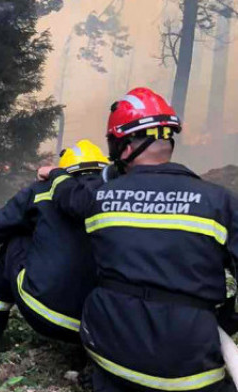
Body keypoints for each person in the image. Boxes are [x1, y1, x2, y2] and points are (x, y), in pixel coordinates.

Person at [38, 87, 238, 392]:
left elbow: (68, 196)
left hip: (113, 360)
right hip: (192, 370)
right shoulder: (220, 202)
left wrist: (55, 173)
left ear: (127, 145)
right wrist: (225, 321)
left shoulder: (99, 197)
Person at [0, 140, 108, 352]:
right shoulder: (119, 198)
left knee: (11, 242)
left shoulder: (42, 191)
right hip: (102, 326)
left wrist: (7, 258)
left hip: (47, 314)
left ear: (63, 171)